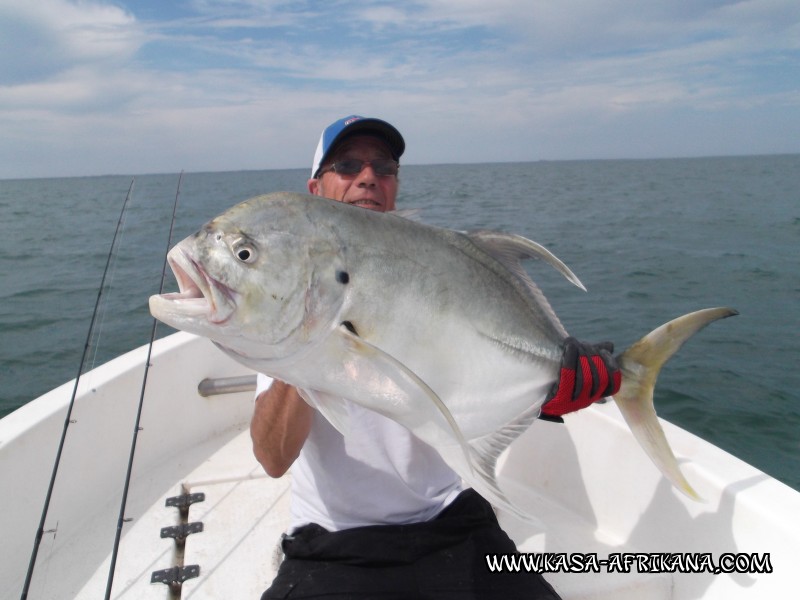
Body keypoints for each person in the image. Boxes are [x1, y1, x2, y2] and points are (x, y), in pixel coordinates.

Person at [250, 115, 613, 599]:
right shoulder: (282, 296)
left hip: (454, 521)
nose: (368, 177)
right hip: (336, 541)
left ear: (395, 185)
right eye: (348, 165)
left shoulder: (436, 269)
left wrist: (549, 395)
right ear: (316, 188)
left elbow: (481, 378)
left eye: (384, 166)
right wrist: (312, 336)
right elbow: (273, 458)